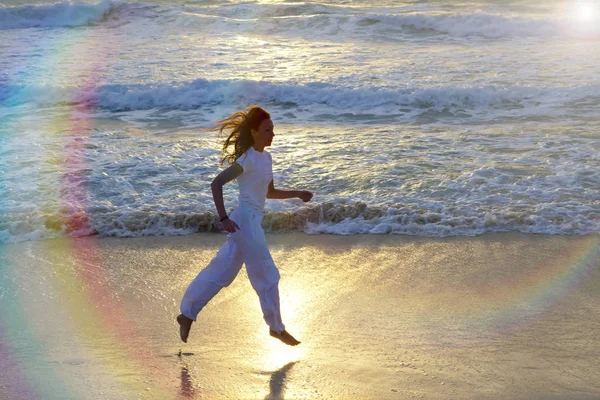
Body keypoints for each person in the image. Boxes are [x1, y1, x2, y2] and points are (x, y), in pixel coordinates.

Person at [177, 105, 313, 346]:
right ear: (253, 132)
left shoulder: (266, 157)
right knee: (267, 273)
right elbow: (216, 184)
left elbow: (268, 193)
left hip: (249, 221)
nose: (273, 134)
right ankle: (276, 328)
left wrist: (297, 193)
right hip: (244, 221)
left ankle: (186, 313)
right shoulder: (247, 159)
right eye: (268, 129)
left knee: (221, 271)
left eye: (273, 129)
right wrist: (223, 218)